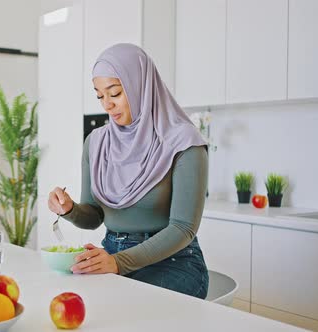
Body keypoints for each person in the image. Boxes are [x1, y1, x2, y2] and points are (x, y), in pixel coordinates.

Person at [47, 43, 210, 299]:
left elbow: (183, 228)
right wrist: (69, 209)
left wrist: (119, 262)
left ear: (140, 87)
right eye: (100, 96)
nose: (107, 105)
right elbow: (94, 216)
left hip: (173, 264)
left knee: (122, 309)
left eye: (115, 93)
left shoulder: (184, 143)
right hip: (111, 256)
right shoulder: (96, 143)